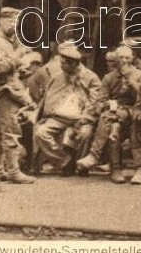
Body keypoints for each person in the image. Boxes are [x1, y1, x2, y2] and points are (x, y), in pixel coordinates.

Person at [0, 6, 37, 184]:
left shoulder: (6, 41)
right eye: (11, 21)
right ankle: (14, 172)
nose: (14, 26)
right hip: (4, 93)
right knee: (11, 133)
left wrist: (20, 68)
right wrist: (18, 56)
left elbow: (7, 68)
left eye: (17, 22)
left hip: (5, 90)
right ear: (1, 21)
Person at [34, 45, 102, 176]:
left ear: (74, 64)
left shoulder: (90, 77)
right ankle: (65, 161)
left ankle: (81, 165)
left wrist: (87, 117)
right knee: (41, 133)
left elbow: (96, 101)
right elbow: (49, 97)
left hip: (82, 117)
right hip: (58, 117)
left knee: (85, 134)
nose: (61, 66)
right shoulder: (58, 77)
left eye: (64, 64)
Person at [75, 45, 139, 182]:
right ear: (116, 59)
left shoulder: (140, 75)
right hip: (115, 113)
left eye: (127, 57)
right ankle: (116, 170)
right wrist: (105, 104)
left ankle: (94, 155)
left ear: (132, 58)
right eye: (121, 57)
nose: (124, 61)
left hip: (134, 111)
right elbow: (100, 99)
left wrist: (131, 81)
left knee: (107, 117)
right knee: (113, 126)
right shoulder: (109, 77)